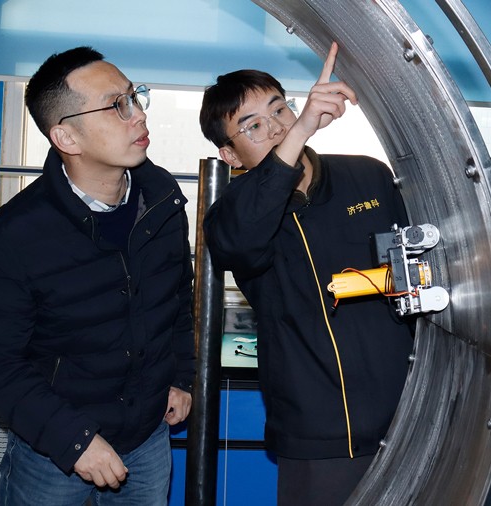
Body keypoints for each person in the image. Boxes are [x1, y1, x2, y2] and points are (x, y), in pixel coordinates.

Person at [0, 46, 195, 505]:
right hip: (53, 451)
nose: (139, 115)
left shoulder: (163, 200)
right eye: (117, 105)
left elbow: (176, 304)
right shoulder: (14, 234)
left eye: (134, 96)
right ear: (67, 137)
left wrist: (182, 376)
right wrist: (75, 441)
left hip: (146, 438)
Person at [200, 42, 414, 505]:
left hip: (407, 415)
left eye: (280, 109)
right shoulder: (232, 213)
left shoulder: (367, 176)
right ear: (230, 155)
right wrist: (298, 133)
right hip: (318, 433)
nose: (277, 127)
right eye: (253, 126)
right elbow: (240, 243)